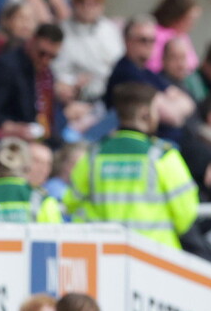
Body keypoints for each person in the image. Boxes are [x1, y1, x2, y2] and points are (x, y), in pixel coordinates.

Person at [65, 82, 199, 251]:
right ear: (145, 113)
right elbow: (186, 213)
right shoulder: (163, 156)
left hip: (106, 255)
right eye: (155, 110)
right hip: (155, 256)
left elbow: (71, 204)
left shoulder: (92, 156)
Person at [0, 23, 63, 141]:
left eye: (52, 57)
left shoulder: (47, 75)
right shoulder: (6, 67)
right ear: (32, 41)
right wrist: (11, 127)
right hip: (8, 137)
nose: (46, 61)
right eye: (42, 53)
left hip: (38, 135)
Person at [51, 0, 123, 104]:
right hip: (79, 98)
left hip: (113, 93)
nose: (88, 7)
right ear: (73, 3)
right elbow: (56, 71)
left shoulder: (110, 29)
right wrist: (73, 81)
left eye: (95, 2)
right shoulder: (61, 32)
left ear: (102, 5)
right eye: (82, 1)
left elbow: (119, 61)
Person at [0, 138, 62, 223]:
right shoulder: (43, 200)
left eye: (48, 164)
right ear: (24, 161)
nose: (43, 169)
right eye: (37, 161)